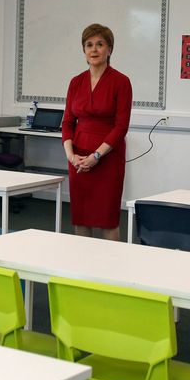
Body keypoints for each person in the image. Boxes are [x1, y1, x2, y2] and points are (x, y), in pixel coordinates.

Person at [61, 23, 132, 241]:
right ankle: (82, 270)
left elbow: (121, 127)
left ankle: (110, 270)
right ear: (84, 50)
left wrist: (96, 156)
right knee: (81, 217)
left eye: (100, 44)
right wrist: (71, 156)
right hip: (78, 157)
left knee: (107, 218)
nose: (94, 49)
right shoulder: (76, 82)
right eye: (89, 45)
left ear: (109, 49)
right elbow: (67, 122)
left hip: (108, 157)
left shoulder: (121, 82)